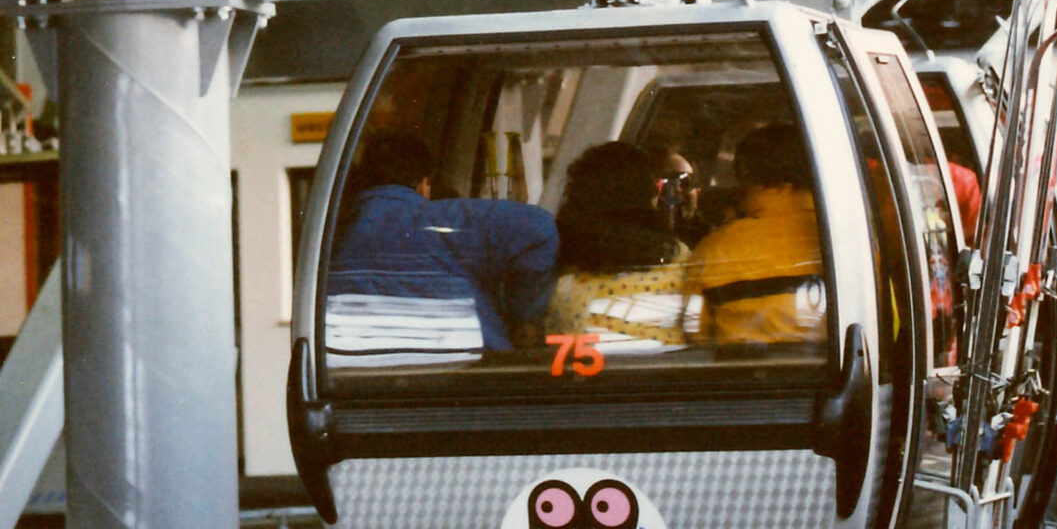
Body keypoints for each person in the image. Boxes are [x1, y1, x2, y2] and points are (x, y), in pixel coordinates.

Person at [323, 129, 557, 362]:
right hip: (470, 372)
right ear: (424, 184)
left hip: (353, 375)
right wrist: (523, 317)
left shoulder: (331, 236)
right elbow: (539, 229)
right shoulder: (445, 221)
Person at [685, 122, 827, 350]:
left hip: (745, 371)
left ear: (744, 174)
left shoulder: (714, 249)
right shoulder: (847, 240)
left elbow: (694, 335)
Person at [547, 141, 689, 350]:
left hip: (589, 368)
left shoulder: (560, 277)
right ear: (646, 195)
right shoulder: (677, 258)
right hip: (671, 367)